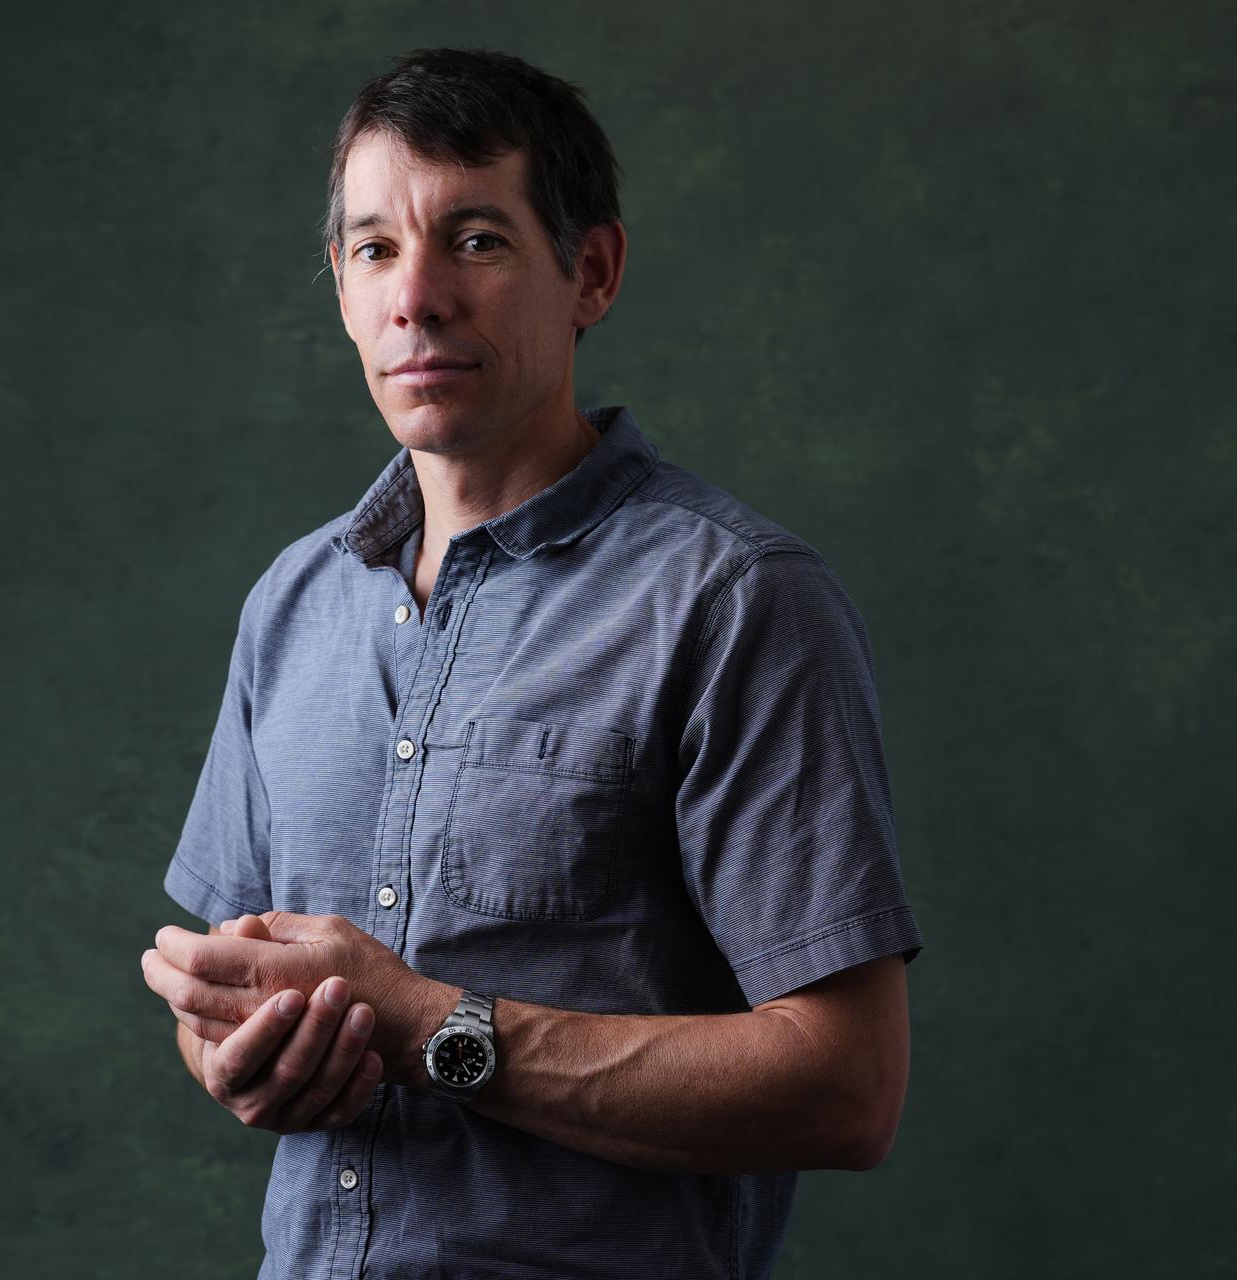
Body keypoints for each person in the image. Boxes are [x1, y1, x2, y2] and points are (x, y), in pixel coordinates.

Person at [140, 46, 925, 1280]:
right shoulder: (291, 603)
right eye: (374, 249)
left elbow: (848, 1089)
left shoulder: (733, 601)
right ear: (343, 291)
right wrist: (240, 1052)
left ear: (591, 272)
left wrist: (428, 1030)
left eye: (479, 240)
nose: (418, 297)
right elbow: (244, 997)